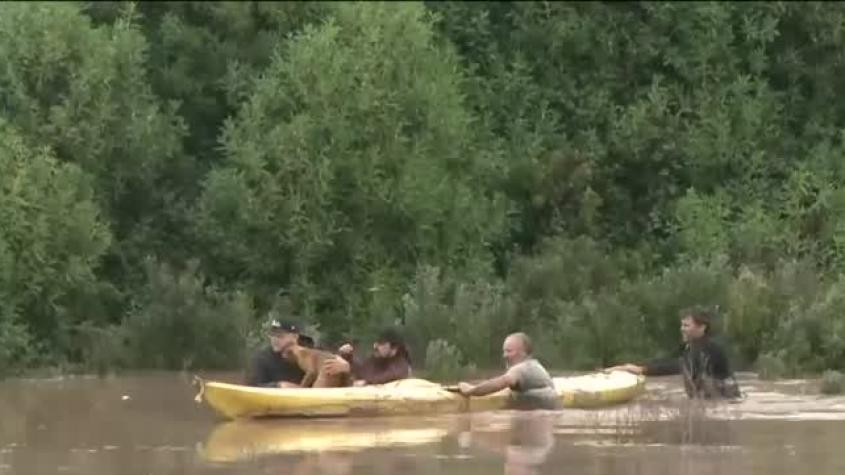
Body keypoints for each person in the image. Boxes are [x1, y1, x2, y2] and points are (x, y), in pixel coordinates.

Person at [605, 307, 742, 400]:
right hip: (708, 399)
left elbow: (678, 366)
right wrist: (632, 367)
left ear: (702, 327)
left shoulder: (709, 348)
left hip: (724, 401)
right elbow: (666, 360)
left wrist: (641, 370)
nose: (682, 329)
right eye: (681, 325)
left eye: (686, 325)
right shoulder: (690, 346)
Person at [457, 333, 559, 410]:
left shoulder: (520, 369)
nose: (504, 355)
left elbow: (503, 381)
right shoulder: (537, 367)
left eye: (509, 351)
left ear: (523, 353)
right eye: (504, 351)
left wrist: (471, 390)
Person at [323, 327, 412, 386]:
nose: (375, 346)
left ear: (394, 348)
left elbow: (386, 378)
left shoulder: (401, 367)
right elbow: (364, 369)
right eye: (376, 342)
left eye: (381, 343)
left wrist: (349, 368)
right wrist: (348, 358)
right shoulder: (379, 360)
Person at [244, 319, 313, 388]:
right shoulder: (262, 358)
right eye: (272, 335)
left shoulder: (310, 354)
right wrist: (278, 386)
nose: (274, 340)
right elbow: (252, 388)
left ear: (295, 337)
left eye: (280, 336)